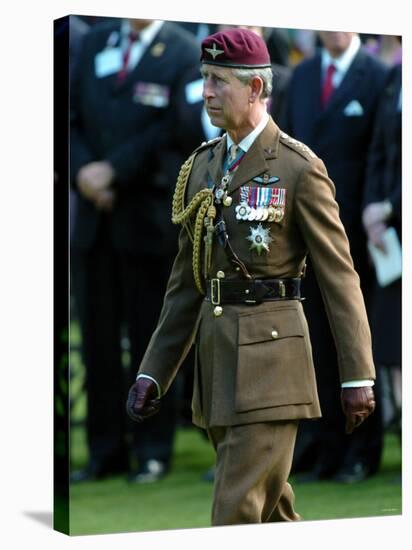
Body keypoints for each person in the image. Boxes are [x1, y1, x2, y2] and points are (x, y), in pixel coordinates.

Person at [126, 28, 376, 525]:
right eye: (204, 79)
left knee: (235, 514)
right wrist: (153, 370)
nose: (206, 93)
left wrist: (357, 374)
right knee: (270, 516)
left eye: (219, 81)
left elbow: (339, 276)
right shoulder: (202, 166)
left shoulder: (298, 167)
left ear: (255, 89)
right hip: (217, 371)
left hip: (272, 371)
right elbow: (186, 284)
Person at [70, 16, 199, 483]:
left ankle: (152, 449)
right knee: (99, 343)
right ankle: (104, 452)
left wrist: (115, 171)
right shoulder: (95, 41)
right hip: (93, 220)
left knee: (151, 340)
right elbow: (70, 117)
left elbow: (177, 130)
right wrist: (84, 171)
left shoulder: (183, 49)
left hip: (146, 220)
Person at [282, 31, 388, 482]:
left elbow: (379, 155)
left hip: (353, 239)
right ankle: (323, 448)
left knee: (356, 341)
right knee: (314, 344)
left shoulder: (378, 76)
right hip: (302, 236)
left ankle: (361, 450)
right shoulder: (303, 75)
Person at [362, 58, 402, 437]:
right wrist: (373, 210)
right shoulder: (395, 76)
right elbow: (378, 150)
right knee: (391, 345)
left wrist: (389, 205)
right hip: (390, 240)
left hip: (396, 216)